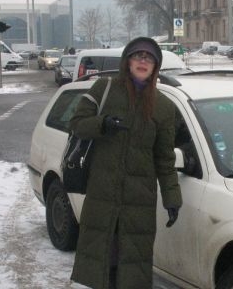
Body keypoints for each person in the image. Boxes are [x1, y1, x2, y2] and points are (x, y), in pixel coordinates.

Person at [69, 36, 182, 289]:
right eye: (138, 56)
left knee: (132, 266)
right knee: (102, 263)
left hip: (138, 202)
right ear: (127, 61)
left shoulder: (163, 107)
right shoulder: (103, 89)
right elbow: (76, 124)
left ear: (156, 66)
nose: (143, 61)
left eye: (149, 58)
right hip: (103, 196)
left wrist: (172, 198)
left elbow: (164, 159)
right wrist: (102, 124)